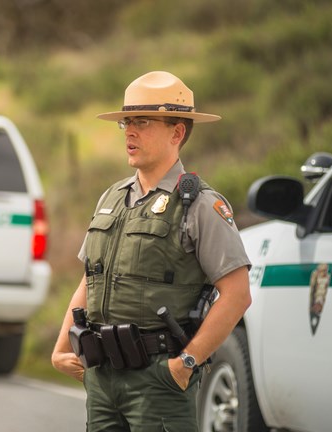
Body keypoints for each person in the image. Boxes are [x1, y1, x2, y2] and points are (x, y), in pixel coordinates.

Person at [51, 70, 252, 431]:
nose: (130, 131)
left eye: (142, 122)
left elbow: (237, 295)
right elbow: (90, 278)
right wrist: (62, 345)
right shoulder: (111, 198)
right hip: (101, 377)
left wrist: (185, 364)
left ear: (177, 132)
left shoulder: (200, 204)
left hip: (159, 380)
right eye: (127, 122)